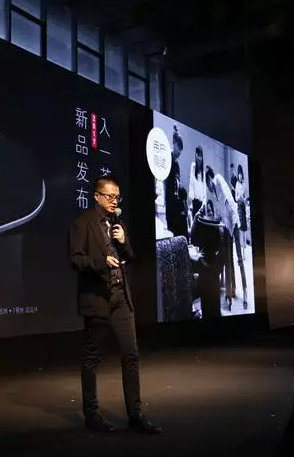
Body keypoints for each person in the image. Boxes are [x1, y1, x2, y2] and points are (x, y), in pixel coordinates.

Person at [68, 177, 162, 434]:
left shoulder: (117, 224)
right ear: (96, 196)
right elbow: (75, 260)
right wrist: (101, 262)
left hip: (121, 297)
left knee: (131, 355)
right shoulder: (82, 223)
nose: (114, 201)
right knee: (92, 358)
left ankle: (136, 415)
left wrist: (123, 242)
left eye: (117, 197)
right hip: (98, 298)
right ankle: (92, 415)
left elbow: (129, 257)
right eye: (109, 196)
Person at [204, 166, 247, 310]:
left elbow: (229, 200)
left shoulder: (218, 179)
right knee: (228, 260)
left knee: (239, 260)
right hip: (227, 226)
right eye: (207, 184)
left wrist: (234, 223)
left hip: (234, 223)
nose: (208, 185)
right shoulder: (213, 194)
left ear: (210, 178)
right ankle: (230, 292)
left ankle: (245, 292)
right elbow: (218, 212)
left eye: (208, 182)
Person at [164, 125, 188, 239]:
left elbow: (177, 182)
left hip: (176, 201)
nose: (179, 152)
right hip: (169, 201)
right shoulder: (167, 158)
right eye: (178, 148)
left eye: (180, 150)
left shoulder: (176, 163)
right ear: (174, 143)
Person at [188, 145, 206, 220]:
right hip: (194, 202)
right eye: (197, 155)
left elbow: (204, 189)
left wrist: (204, 203)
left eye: (200, 155)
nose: (199, 158)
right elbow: (191, 184)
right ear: (195, 155)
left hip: (201, 204)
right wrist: (191, 202)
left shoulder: (203, 172)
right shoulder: (193, 166)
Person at [235, 164, 248, 260]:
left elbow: (246, 197)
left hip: (243, 207)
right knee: (240, 228)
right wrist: (240, 198)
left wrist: (244, 199)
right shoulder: (237, 184)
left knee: (244, 229)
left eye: (241, 174)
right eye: (239, 174)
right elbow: (236, 198)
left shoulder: (244, 184)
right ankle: (240, 253)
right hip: (239, 207)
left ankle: (244, 253)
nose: (240, 176)